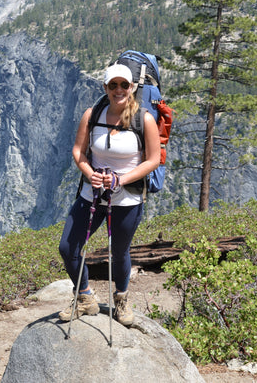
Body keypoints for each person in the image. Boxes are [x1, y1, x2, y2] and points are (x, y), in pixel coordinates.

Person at [58, 63, 160, 326]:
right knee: (68, 247)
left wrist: (121, 179)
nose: (118, 90)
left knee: (119, 252)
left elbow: (154, 159)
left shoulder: (144, 120)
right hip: (91, 194)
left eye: (124, 85)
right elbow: (79, 151)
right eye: (112, 85)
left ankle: (122, 299)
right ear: (105, 87)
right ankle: (84, 297)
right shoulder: (92, 115)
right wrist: (88, 171)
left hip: (127, 199)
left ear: (132, 87)